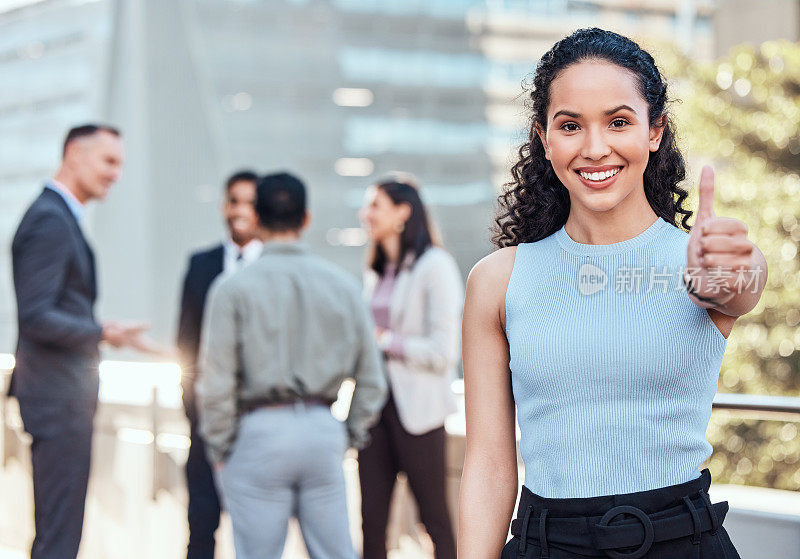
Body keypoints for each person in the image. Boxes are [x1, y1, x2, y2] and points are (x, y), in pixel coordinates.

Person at [459, 28, 768, 559]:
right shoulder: (495, 281)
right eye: (571, 125)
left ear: (655, 130)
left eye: (619, 121)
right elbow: (488, 464)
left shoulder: (704, 260)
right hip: (547, 546)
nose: (595, 147)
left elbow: (737, 287)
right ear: (544, 138)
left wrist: (728, 270)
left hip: (682, 545)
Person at [196, 172, 387, 559]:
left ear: (258, 219)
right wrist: (345, 435)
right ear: (306, 219)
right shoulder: (343, 287)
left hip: (258, 432)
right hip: (321, 430)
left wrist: (221, 447)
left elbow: (214, 382)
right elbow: (372, 380)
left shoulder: (232, 288)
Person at [9, 124, 160, 559]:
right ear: (74, 153)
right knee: (59, 534)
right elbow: (35, 316)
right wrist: (102, 333)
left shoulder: (56, 216)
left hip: (58, 395)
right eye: (109, 161)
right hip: (56, 398)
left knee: (59, 528)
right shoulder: (50, 220)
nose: (116, 174)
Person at [357, 176, 462, 559]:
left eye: (374, 205)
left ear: (402, 212)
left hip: (418, 411)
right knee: (371, 521)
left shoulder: (435, 266)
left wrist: (385, 340)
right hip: (375, 409)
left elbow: (443, 351)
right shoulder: (377, 269)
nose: (365, 214)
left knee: (433, 519)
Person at [176, 170, 261, 559]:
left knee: (256, 535)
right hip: (207, 424)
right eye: (233, 200)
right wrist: (194, 410)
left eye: (249, 201)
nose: (239, 210)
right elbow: (186, 344)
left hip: (260, 426)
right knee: (201, 527)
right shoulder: (201, 264)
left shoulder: (277, 268)